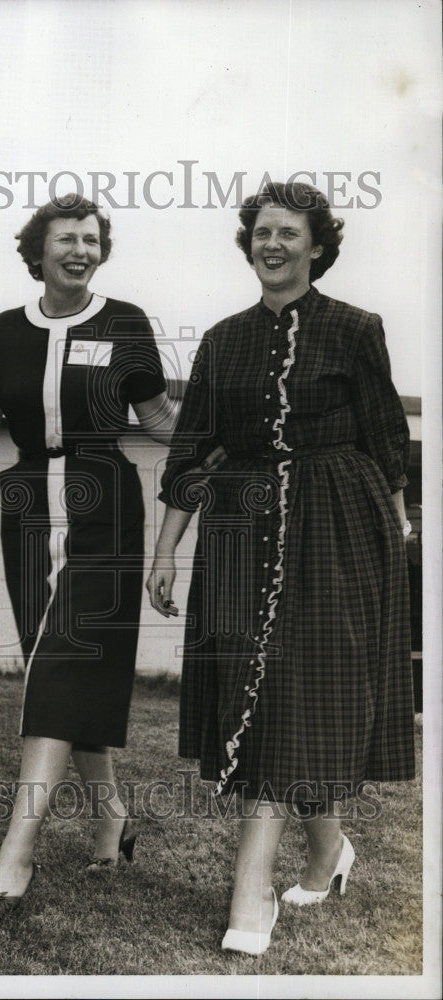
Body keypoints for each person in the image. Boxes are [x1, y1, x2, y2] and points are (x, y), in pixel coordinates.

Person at [147, 181, 415, 955]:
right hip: (243, 524)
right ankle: (329, 851)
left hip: (335, 525)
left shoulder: (355, 328)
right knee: (257, 689)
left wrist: (395, 523)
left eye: (288, 233)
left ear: (316, 245)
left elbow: (383, 436)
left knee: (299, 693)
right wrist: (165, 548)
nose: (272, 244)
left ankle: (250, 886)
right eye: (261, 232)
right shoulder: (222, 341)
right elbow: (192, 449)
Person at [0, 194, 220, 915]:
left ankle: (16, 853)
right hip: (28, 498)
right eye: (66, 239)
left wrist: (217, 451)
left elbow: (158, 416)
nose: (80, 250)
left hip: (105, 499)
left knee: (60, 668)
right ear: (36, 250)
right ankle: (111, 821)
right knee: (50, 662)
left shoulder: (124, 322)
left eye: (92, 240)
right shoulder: (4, 330)